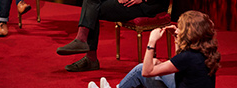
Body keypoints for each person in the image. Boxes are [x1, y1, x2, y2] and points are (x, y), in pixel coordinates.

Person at [88, 10, 221, 88]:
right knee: (156, 63)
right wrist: (177, 37)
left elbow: (147, 71)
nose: (178, 29)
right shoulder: (204, 51)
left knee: (141, 70)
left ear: (189, 32)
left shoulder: (188, 57)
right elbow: (178, 61)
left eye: (181, 28)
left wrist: (152, 41)